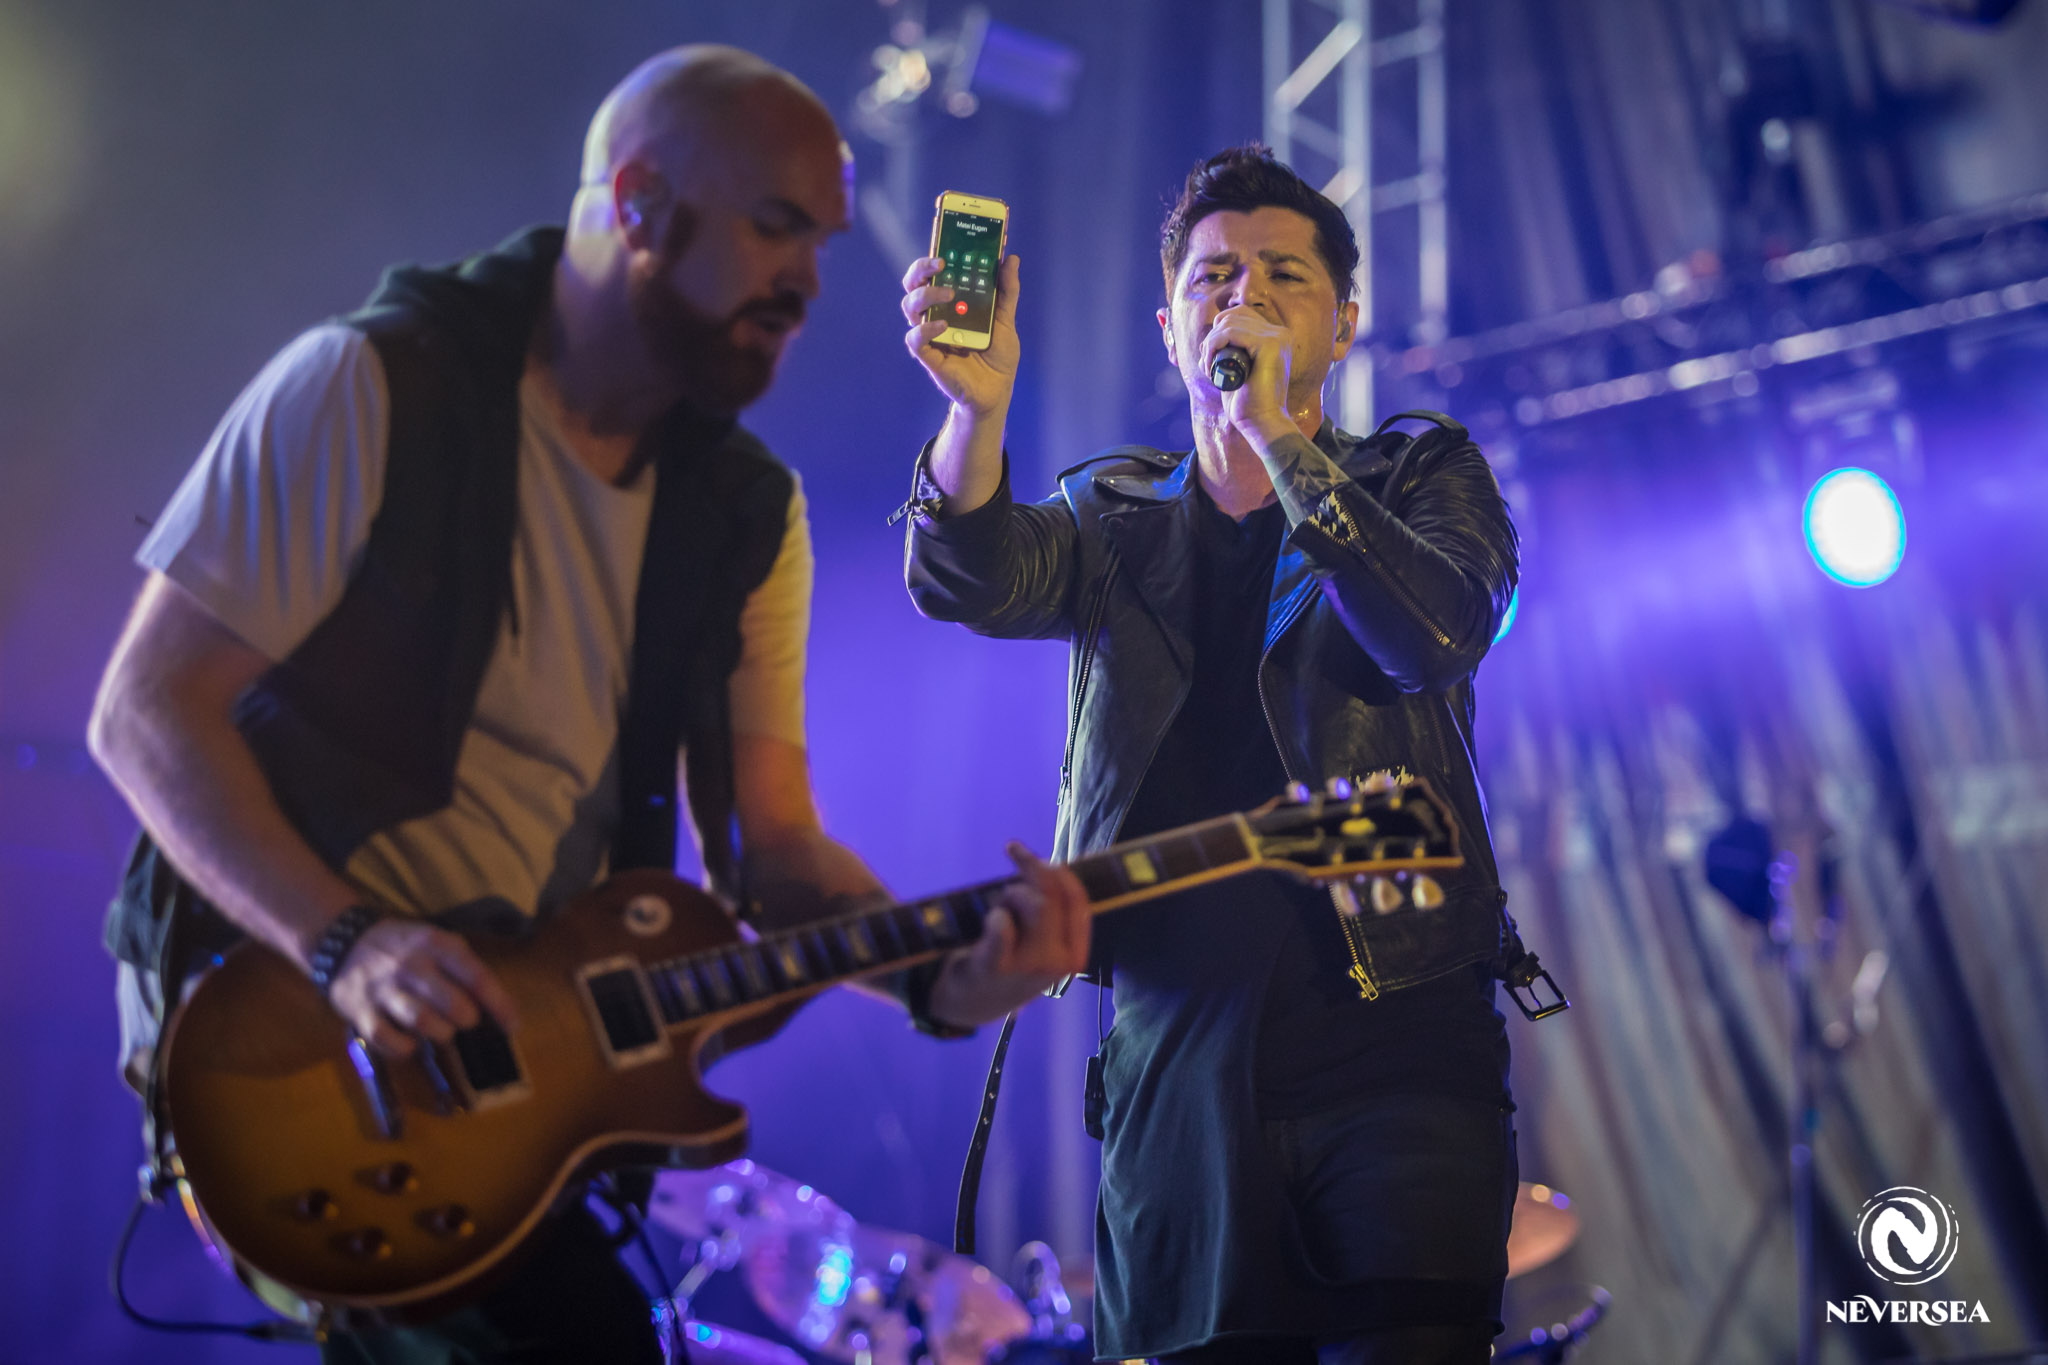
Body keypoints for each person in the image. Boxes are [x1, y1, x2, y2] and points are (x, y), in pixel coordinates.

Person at [89, 45, 1088, 1365]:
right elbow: (146, 713)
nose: (807, 281)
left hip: (523, 1074)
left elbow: (776, 853)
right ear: (637, 203)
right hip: (296, 1035)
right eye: (775, 225)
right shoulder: (374, 387)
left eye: (822, 240)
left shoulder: (744, 515)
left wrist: (944, 978)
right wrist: (349, 946)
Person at [898, 145, 1524, 1364]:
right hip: (1169, 1072)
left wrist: (1281, 441)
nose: (1242, 297)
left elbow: (1435, 635)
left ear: (1341, 324)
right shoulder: (1108, 520)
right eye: (1212, 277)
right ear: (1170, 329)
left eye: (1282, 276)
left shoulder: (1418, 474)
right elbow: (964, 578)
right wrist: (973, 414)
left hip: (1395, 1052)